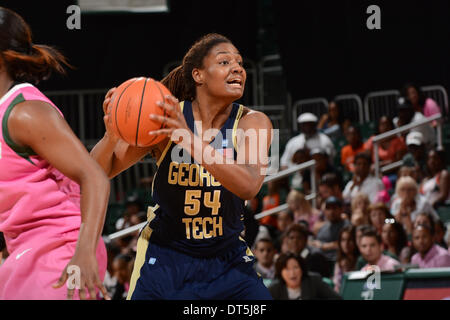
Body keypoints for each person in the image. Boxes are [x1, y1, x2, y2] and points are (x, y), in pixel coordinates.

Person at [91, 33, 273, 299]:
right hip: (165, 258)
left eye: (240, 63)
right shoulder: (165, 116)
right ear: (198, 75)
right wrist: (112, 136)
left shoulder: (254, 122)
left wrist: (187, 138)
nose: (237, 68)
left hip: (228, 261)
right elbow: (98, 172)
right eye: (224, 62)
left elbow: (249, 186)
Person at [0, 7, 110, 300]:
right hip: (25, 249)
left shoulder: (25, 113)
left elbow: (94, 177)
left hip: (63, 248)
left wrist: (84, 252)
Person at [268, 252, 341, 300]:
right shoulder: (274, 288)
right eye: (287, 269)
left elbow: (337, 298)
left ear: (302, 269)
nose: (292, 273)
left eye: (295, 267)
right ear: (280, 272)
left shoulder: (314, 281)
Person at [311, 197, 350, 267]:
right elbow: (316, 242)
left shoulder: (346, 225)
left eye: (334, 208)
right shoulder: (324, 226)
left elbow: (346, 243)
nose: (331, 211)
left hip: (336, 260)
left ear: (341, 209)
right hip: (320, 260)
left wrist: (323, 246)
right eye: (328, 208)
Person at [333, 225, 359, 294]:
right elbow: (337, 286)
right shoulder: (339, 261)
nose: (346, 244)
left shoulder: (361, 261)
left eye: (350, 240)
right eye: (343, 240)